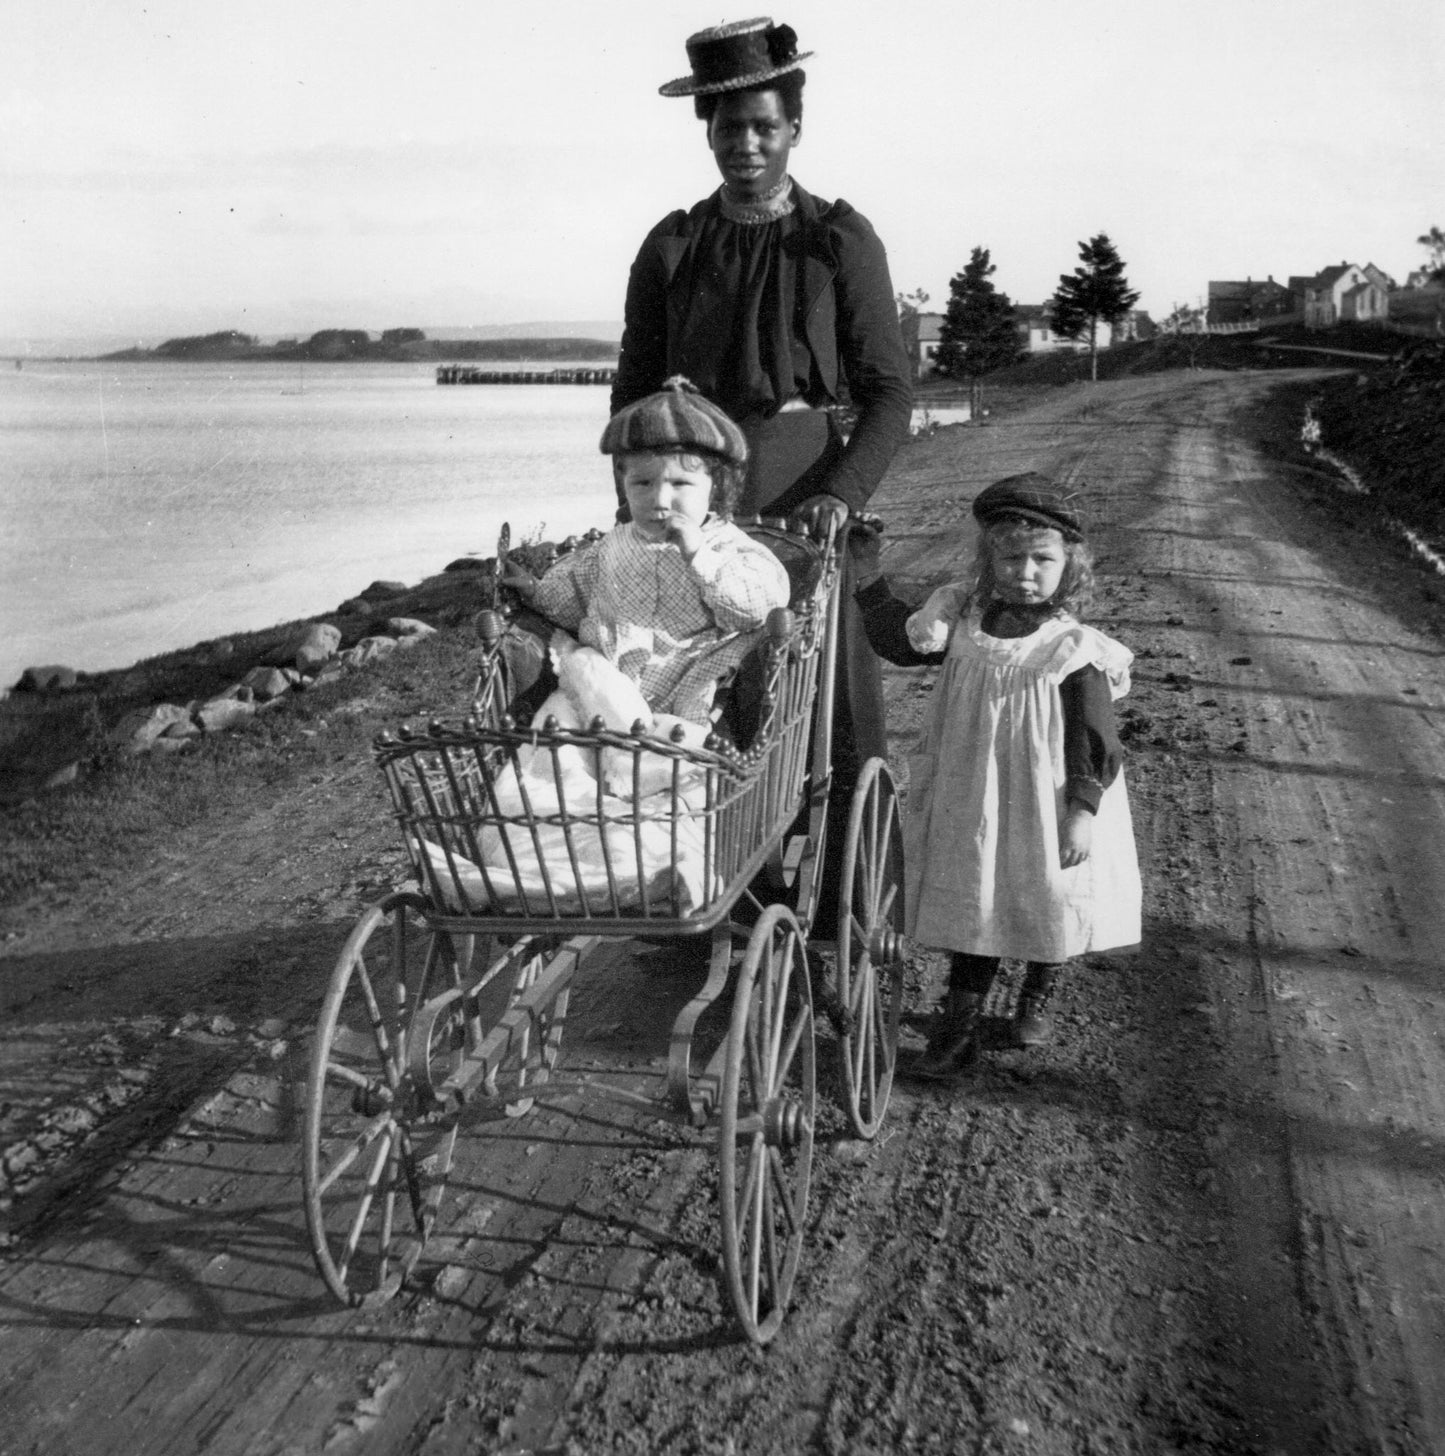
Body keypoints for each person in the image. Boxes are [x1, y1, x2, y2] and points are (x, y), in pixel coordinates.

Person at [611, 16, 913, 801]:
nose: (745, 144)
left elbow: (889, 390)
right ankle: (699, 881)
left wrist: (839, 497)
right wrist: (636, 503)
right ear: (706, 133)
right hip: (691, 494)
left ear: (794, 130)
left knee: (824, 696)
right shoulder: (673, 246)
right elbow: (632, 393)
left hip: (800, 489)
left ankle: (840, 897)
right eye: (728, 128)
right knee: (689, 692)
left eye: (763, 127)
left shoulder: (840, 241)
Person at [855, 474, 1142, 1076]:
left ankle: (1035, 999)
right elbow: (898, 641)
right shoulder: (963, 619)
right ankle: (956, 1033)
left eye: (1043, 560)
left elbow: (1094, 737)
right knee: (980, 902)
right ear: (988, 558)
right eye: (1011, 557)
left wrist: (1083, 809)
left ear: (1070, 565)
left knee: (1048, 898)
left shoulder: (1072, 648)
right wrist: (866, 574)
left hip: (1051, 795)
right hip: (977, 793)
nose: (1026, 572)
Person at [501, 377, 790, 730]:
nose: (661, 501)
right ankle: (559, 778)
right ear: (624, 484)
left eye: (680, 484)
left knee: (671, 763)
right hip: (606, 696)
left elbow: (754, 609)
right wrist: (534, 589)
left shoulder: (730, 549)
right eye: (643, 484)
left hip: (686, 700)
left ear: (716, 486)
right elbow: (574, 598)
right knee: (559, 727)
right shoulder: (612, 545)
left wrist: (698, 554)